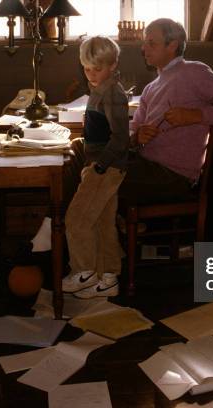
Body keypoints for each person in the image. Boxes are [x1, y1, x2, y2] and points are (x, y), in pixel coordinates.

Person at [119, 18, 213, 203]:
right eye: (144, 43)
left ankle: (82, 227)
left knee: (96, 170)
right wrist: (136, 136)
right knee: (83, 150)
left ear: (172, 45)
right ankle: (96, 226)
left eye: (151, 43)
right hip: (147, 166)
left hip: (172, 175)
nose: (144, 49)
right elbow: (135, 127)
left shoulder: (194, 71)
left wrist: (196, 115)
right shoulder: (151, 88)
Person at [62, 36, 129, 298]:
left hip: (107, 167)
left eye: (97, 69)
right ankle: (108, 277)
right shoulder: (99, 90)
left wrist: (99, 167)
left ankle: (84, 270)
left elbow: (121, 138)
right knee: (102, 222)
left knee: (77, 219)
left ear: (112, 65)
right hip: (100, 164)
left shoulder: (113, 93)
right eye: (86, 68)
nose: (91, 74)